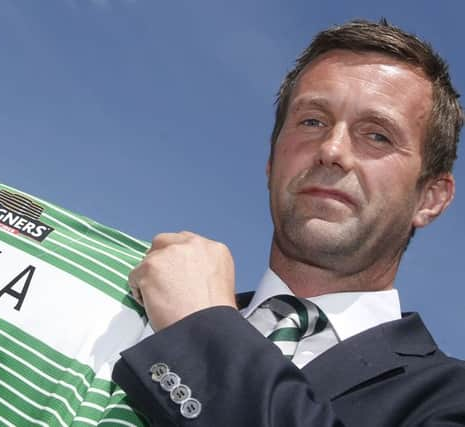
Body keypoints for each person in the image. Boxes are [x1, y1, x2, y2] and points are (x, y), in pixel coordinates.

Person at [112, 20, 465, 426]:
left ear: (431, 196)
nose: (331, 150)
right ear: (271, 161)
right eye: (312, 121)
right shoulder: (130, 308)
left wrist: (202, 331)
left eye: (378, 135)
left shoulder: (452, 397)